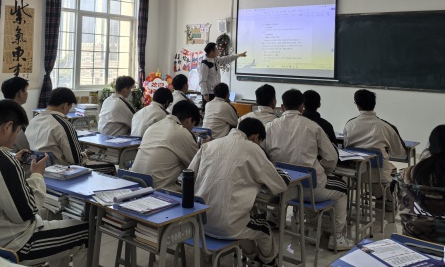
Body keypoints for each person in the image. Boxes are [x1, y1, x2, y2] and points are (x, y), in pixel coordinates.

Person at [0, 100, 89, 266]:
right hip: (13, 245)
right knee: (86, 232)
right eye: (17, 131)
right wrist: (37, 176)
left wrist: (14, 164)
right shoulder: (3, 162)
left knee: (55, 221)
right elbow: (27, 212)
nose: (15, 139)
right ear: (8, 127)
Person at [189, 117, 289, 267]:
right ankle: (269, 262)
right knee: (263, 228)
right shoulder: (252, 149)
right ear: (255, 137)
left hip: (200, 221)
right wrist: (282, 174)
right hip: (227, 225)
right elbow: (279, 185)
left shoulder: (210, 145)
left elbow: (188, 175)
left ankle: (254, 258)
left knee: (246, 224)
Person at [265, 89, 353, 250]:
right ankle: (337, 237)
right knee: (342, 189)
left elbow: (263, 156)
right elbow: (331, 157)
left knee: (311, 188)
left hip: (283, 188)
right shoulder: (312, 127)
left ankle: (313, 229)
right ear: (301, 107)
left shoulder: (269, 127)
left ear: (282, 107)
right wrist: (325, 171)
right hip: (312, 189)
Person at [343, 89, 405, 197]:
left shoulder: (349, 125)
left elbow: (346, 146)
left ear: (357, 105)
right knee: (393, 170)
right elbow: (399, 153)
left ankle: (378, 196)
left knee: (378, 173)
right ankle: (386, 201)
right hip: (379, 175)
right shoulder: (385, 126)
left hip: (357, 173)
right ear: (374, 104)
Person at [131, 101, 201, 189]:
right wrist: (204, 148)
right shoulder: (181, 132)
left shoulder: (153, 127)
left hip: (135, 185)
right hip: (156, 190)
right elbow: (198, 165)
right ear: (189, 121)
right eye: (193, 126)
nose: (191, 130)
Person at [25, 87, 85, 166]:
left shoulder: (33, 120)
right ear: (65, 105)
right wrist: (84, 155)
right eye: (69, 108)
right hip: (59, 170)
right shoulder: (64, 125)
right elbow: (76, 159)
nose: (68, 111)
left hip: (35, 168)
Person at [1, 76, 30, 151]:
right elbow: (23, 145)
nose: (27, 93)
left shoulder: (1, 108)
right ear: (20, 93)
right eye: (26, 90)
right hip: (13, 152)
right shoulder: (15, 113)